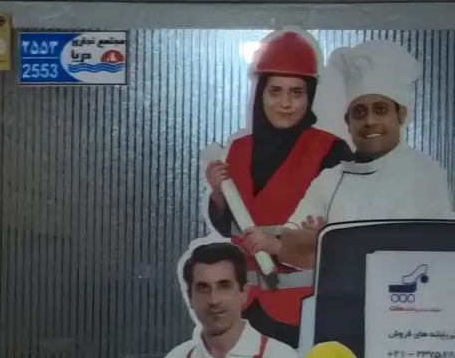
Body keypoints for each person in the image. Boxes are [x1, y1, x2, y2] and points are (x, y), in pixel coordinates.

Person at [203, 29, 353, 348]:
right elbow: (230, 227)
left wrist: (283, 244)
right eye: (275, 92)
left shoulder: (332, 151)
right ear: (261, 94)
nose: (285, 104)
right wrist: (218, 194)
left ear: (310, 96)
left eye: (296, 93)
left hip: (302, 311)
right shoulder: (239, 149)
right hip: (244, 308)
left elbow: (344, 236)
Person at [277, 40, 454, 270]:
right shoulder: (330, 180)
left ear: (400, 115)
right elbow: (287, 247)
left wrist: (327, 240)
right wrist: (308, 242)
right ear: (348, 123)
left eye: (380, 110)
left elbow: (433, 252)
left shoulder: (425, 174)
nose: (370, 121)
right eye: (359, 113)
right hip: (339, 291)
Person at [165, 242, 298, 358]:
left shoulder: (281, 355)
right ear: (190, 296)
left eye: (224, 286)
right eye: (203, 288)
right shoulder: (177, 356)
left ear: (244, 293)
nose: (214, 300)